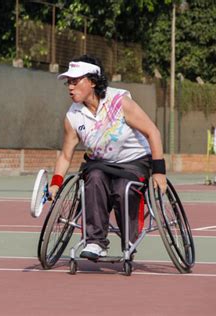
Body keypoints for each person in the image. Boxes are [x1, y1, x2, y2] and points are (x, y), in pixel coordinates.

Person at [48, 55, 166, 260]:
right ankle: (95, 242)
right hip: (100, 164)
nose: (70, 87)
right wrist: (56, 183)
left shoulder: (120, 101)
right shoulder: (73, 116)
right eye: (69, 82)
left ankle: (129, 240)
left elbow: (153, 132)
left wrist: (159, 173)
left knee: (123, 189)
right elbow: (66, 156)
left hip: (134, 162)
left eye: (75, 81)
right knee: (92, 178)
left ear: (93, 81)